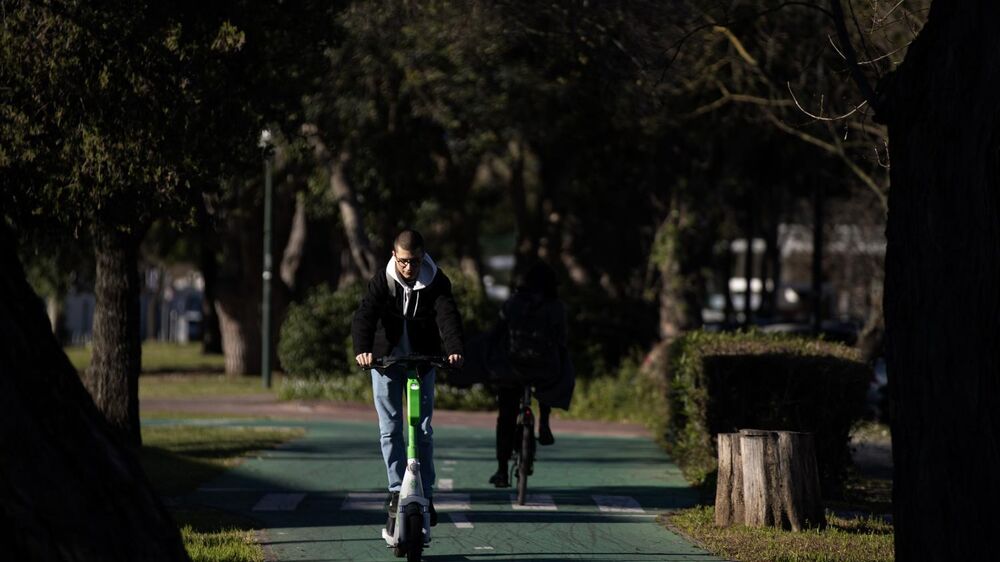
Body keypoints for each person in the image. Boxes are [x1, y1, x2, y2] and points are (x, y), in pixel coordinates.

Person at [352, 229, 464, 528]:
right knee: (390, 429)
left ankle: (425, 493)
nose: (408, 267)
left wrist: (454, 349)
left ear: (422, 257)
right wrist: (362, 350)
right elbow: (365, 315)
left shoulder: (435, 280)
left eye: (414, 261)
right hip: (386, 361)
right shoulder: (383, 280)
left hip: (422, 361)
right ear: (394, 256)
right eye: (403, 261)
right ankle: (395, 490)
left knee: (422, 429)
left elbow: (447, 314)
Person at [485, 261, 575, 488]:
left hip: (512, 368)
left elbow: (497, 333)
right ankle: (544, 422)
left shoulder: (513, 303)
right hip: (545, 369)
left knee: (506, 417)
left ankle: (502, 470)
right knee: (553, 376)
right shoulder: (556, 307)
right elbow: (562, 340)